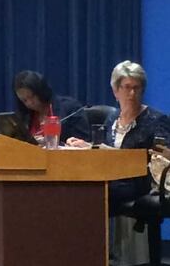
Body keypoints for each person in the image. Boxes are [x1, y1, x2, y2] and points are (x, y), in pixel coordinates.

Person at [67, 61, 169, 208]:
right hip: (113, 179)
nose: (132, 93)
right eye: (127, 87)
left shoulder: (157, 120)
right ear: (116, 91)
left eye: (136, 88)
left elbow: (161, 161)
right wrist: (88, 147)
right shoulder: (112, 118)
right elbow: (106, 152)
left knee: (92, 191)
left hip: (139, 182)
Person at [12, 70, 89, 143]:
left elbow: (84, 140)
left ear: (40, 91)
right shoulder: (24, 116)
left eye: (32, 97)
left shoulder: (70, 108)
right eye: (24, 100)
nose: (29, 103)